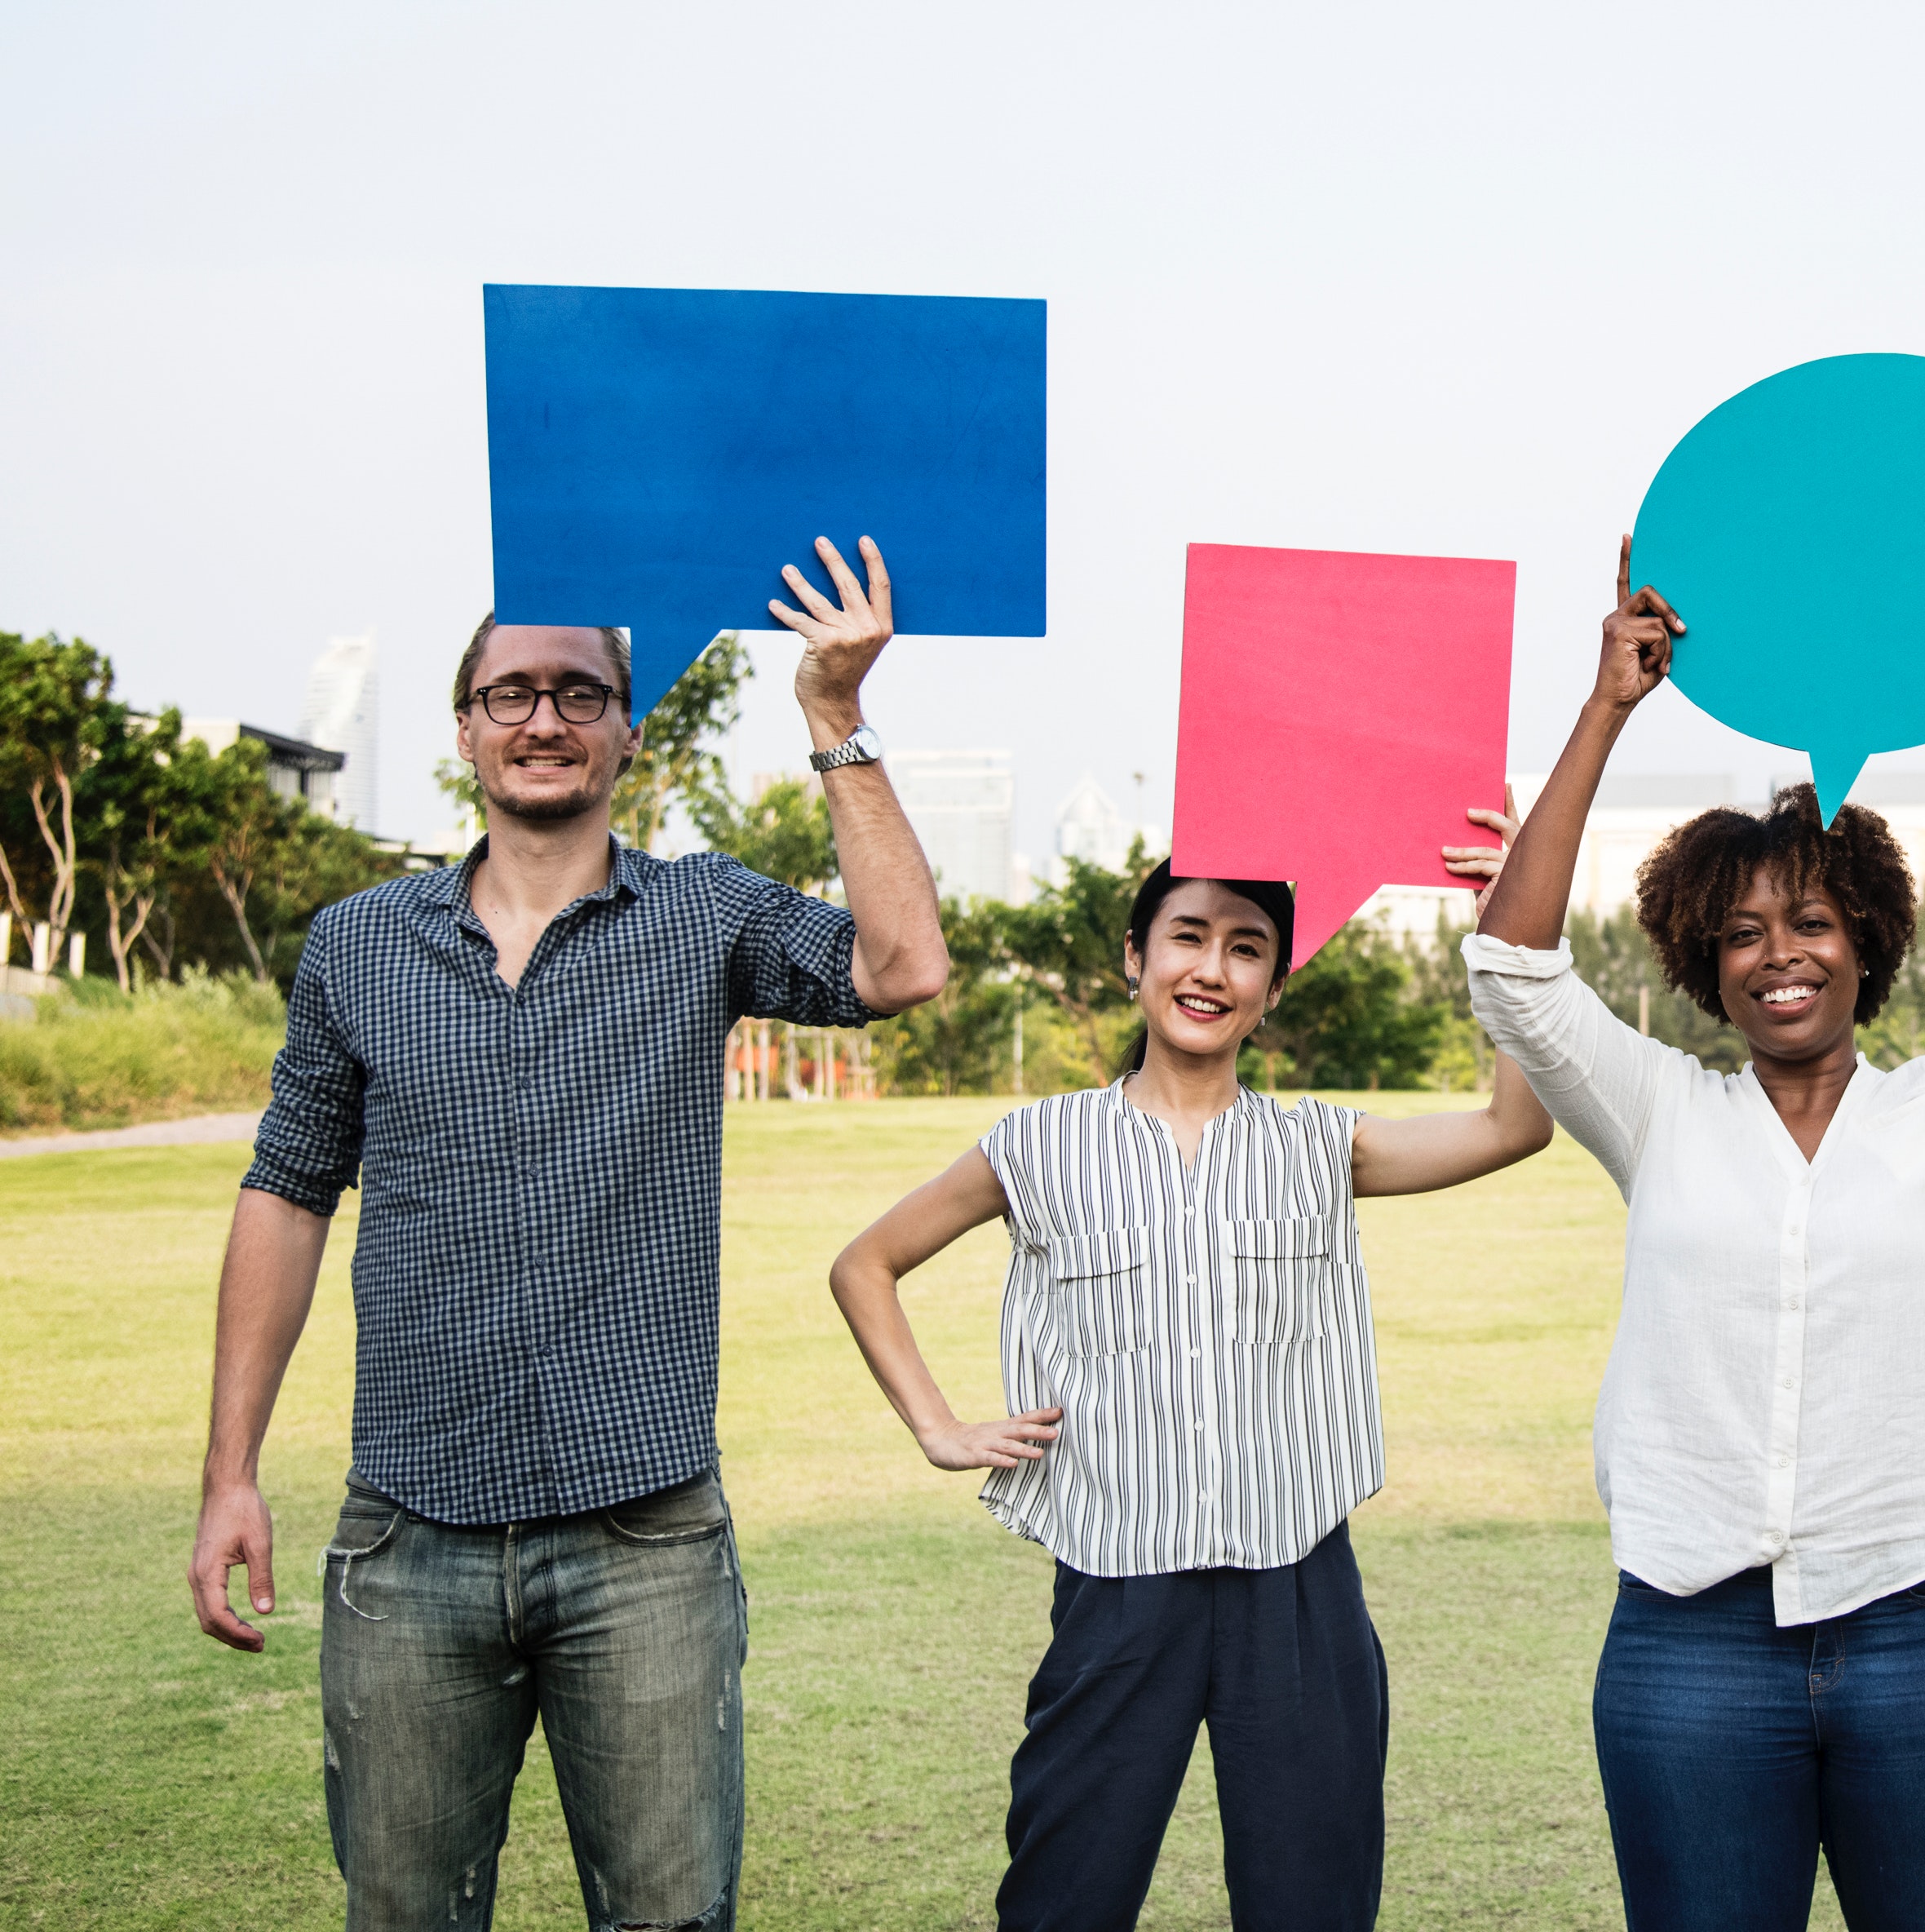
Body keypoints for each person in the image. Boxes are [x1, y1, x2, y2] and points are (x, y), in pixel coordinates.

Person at [187, 538, 950, 1932]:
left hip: (643, 1538)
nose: (545, 719)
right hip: (407, 1537)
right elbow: (287, 1194)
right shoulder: (357, 945)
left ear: (628, 730)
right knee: (404, 1914)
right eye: (511, 693)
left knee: (669, 1917)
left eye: (579, 694)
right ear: (467, 726)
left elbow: (902, 965)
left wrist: (836, 715)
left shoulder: (703, 914)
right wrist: (230, 1470)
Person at [1464, 542, 1925, 1931]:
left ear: (1868, 941)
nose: (1782, 954)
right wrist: (1607, 706)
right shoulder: (1656, 1110)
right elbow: (1515, 966)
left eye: (1814, 922)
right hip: (1688, 1642)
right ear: (1704, 964)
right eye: (1744, 933)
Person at [825, 838, 1555, 1932]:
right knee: (1064, 1898)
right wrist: (937, 1426)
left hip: (1300, 1592)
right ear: (1135, 958)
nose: (1213, 968)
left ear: (1273, 987)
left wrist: (1508, 928)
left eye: (1247, 948)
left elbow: (1515, 1125)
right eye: (1188, 937)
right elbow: (865, 1265)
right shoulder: (1039, 1144)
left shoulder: (1321, 1145)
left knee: (1313, 1902)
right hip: (1119, 1588)